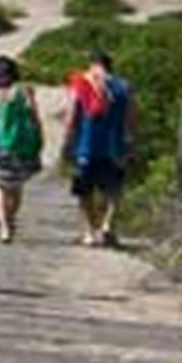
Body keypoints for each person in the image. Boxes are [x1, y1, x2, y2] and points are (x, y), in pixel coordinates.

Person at [62, 50, 136, 247]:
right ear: (110, 66)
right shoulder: (124, 87)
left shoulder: (80, 84)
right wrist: (129, 143)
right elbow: (131, 119)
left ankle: (88, 233)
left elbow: (71, 116)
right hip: (115, 146)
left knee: (84, 190)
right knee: (114, 189)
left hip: (85, 145)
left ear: (91, 64)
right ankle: (108, 225)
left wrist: (67, 142)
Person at [0, 55, 43, 243]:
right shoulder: (25, 90)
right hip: (21, 145)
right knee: (16, 187)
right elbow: (34, 117)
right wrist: (39, 138)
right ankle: (11, 220)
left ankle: (4, 227)